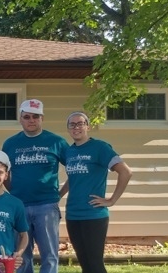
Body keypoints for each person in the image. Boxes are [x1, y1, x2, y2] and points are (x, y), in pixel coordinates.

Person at [2, 99, 69, 273]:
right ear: (20, 119)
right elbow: (3, 173)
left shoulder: (56, 142)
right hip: (19, 206)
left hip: (46, 206)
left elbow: (74, 169)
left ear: (42, 118)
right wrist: (13, 192)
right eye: (27, 117)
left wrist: (59, 194)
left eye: (35, 116)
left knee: (49, 255)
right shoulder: (10, 144)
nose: (31, 120)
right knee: (22, 255)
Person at [62, 112, 132, 273]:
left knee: (95, 264)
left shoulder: (100, 148)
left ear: (88, 126)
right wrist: (59, 194)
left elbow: (126, 172)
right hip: (73, 214)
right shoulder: (69, 152)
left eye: (80, 123)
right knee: (84, 263)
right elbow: (74, 178)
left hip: (93, 214)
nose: (76, 127)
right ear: (68, 128)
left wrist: (111, 200)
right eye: (72, 124)